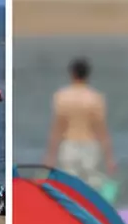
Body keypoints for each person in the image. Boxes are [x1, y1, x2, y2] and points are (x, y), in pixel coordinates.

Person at [43, 57, 114, 187]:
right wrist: (109, 158)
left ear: (72, 74)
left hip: (69, 145)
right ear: (88, 74)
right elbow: (101, 130)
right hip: (90, 146)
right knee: (91, 185)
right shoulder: (95, 98)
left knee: (70, 186)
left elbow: (57, 128)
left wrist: (50, 157)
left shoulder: (62, 97)